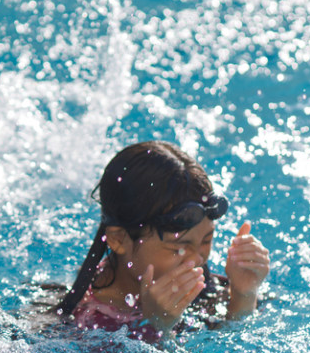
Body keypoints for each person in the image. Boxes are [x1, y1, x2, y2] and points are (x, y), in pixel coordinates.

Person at [54, 141, 271, 342]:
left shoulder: (213, 291)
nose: (197, 259)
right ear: (118, 239)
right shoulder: (81, 326)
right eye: (179, 248)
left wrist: (244, 295)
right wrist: (157, 329)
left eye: (206, 240)